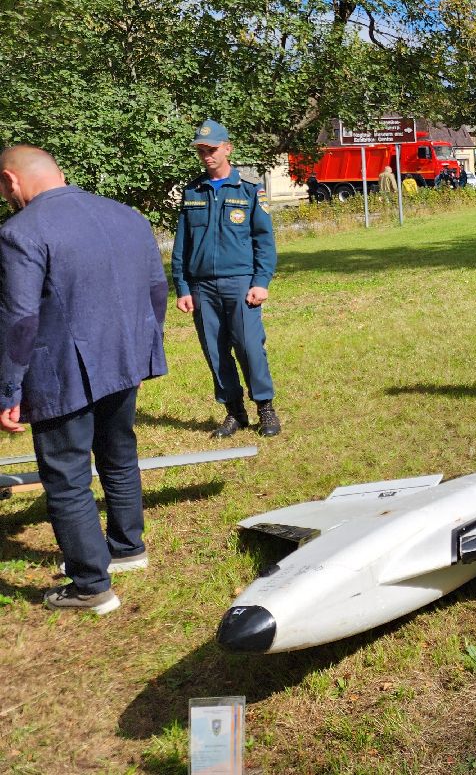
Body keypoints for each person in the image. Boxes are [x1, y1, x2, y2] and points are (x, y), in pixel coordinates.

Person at [0, 146, 168, 613]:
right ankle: (127, 547)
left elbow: (18, 318)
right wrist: (145, 346)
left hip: (61, 373)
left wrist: (8, 388)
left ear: (12, 182)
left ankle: (91, 586)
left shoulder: (19, 232)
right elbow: (157, 287)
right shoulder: (126, 215)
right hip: (123, 358)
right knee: (119, 452)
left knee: (67, 476)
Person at [172, 120, 281, 438]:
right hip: (202, 287)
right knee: (215, 350)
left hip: (241, 283)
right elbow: (182, 245)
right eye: (201, 151)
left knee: (249, 347)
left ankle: (265, 408)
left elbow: (265, 241)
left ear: (227, 148)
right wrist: (182, 286)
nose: (206, 156)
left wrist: (261, 281)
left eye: (212, 149)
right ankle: (234, 412)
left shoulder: (249, 192)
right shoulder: (193, 192)